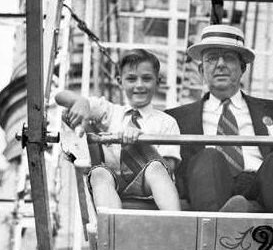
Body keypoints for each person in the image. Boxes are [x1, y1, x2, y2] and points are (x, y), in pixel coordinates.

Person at [165, 24, 273, 214]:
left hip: (262, 184)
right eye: (212, 59)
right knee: (208, 156)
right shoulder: (176, 118)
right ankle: (216, 225)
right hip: (209, 187)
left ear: (243, 68)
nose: (220, 65)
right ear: (202, 70)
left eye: (228, 58)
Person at [55, 49, 181, 211]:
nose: (139, 85)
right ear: (120, 81)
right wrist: (80, 102)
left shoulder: (166, 122)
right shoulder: (110, 112)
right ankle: (110, 226)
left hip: (149, 184)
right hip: (115, 181)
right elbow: (60, 97)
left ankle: (175, 222)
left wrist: (142, 143)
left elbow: (169, 166)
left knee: (156, 168)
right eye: (131, 79)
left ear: (158, 81)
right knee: (99, 173)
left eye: (147, 79)